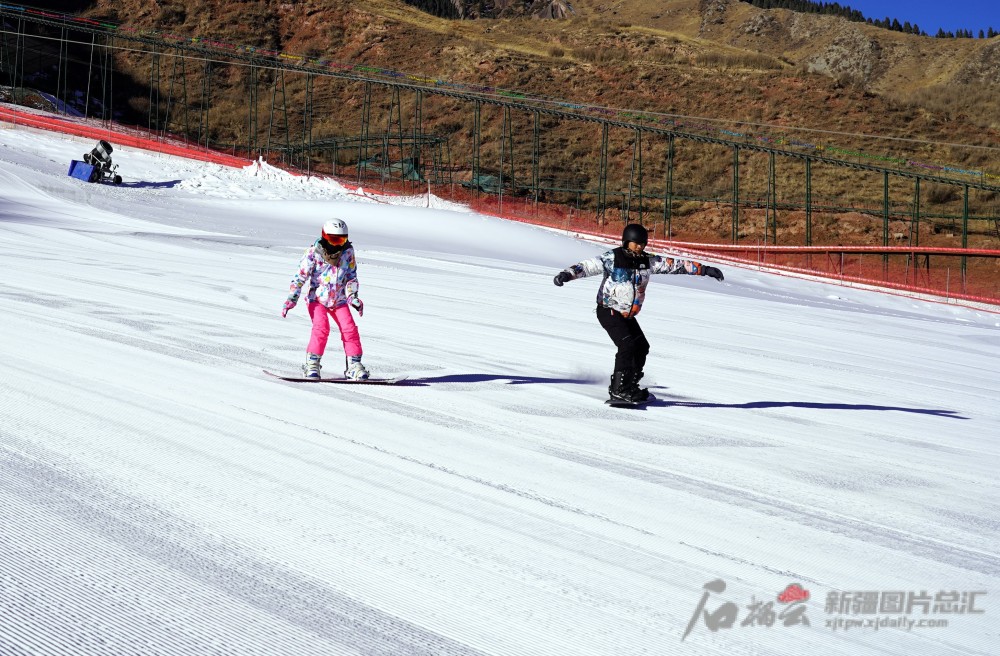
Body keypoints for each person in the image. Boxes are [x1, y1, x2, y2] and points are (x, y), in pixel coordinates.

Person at [552, 223, 724, 403]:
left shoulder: (647, 261)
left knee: (642, 346)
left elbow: (675, 265)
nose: (639, 247)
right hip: (608, 309)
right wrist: (567, 274)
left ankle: (630, 385)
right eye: (635, 243)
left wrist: (704, 270)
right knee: (627, 345)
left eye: (642, 243)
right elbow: (587, 266)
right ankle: (619, 390)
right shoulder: (613, 258)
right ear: (626, 242)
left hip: (627, 314)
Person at [282, 219, 368, 380]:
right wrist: (291, 299)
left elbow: (351, 277)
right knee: (321, 328)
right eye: (334, 240)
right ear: (325, 237)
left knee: (350, 329)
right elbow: (300, 277)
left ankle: (354, 366)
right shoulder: (313, 253)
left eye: (342, 240)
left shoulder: (348, 252)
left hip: (339, 300)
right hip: (317, 299)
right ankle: (312, 364)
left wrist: (353, 297)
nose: (338, 244)